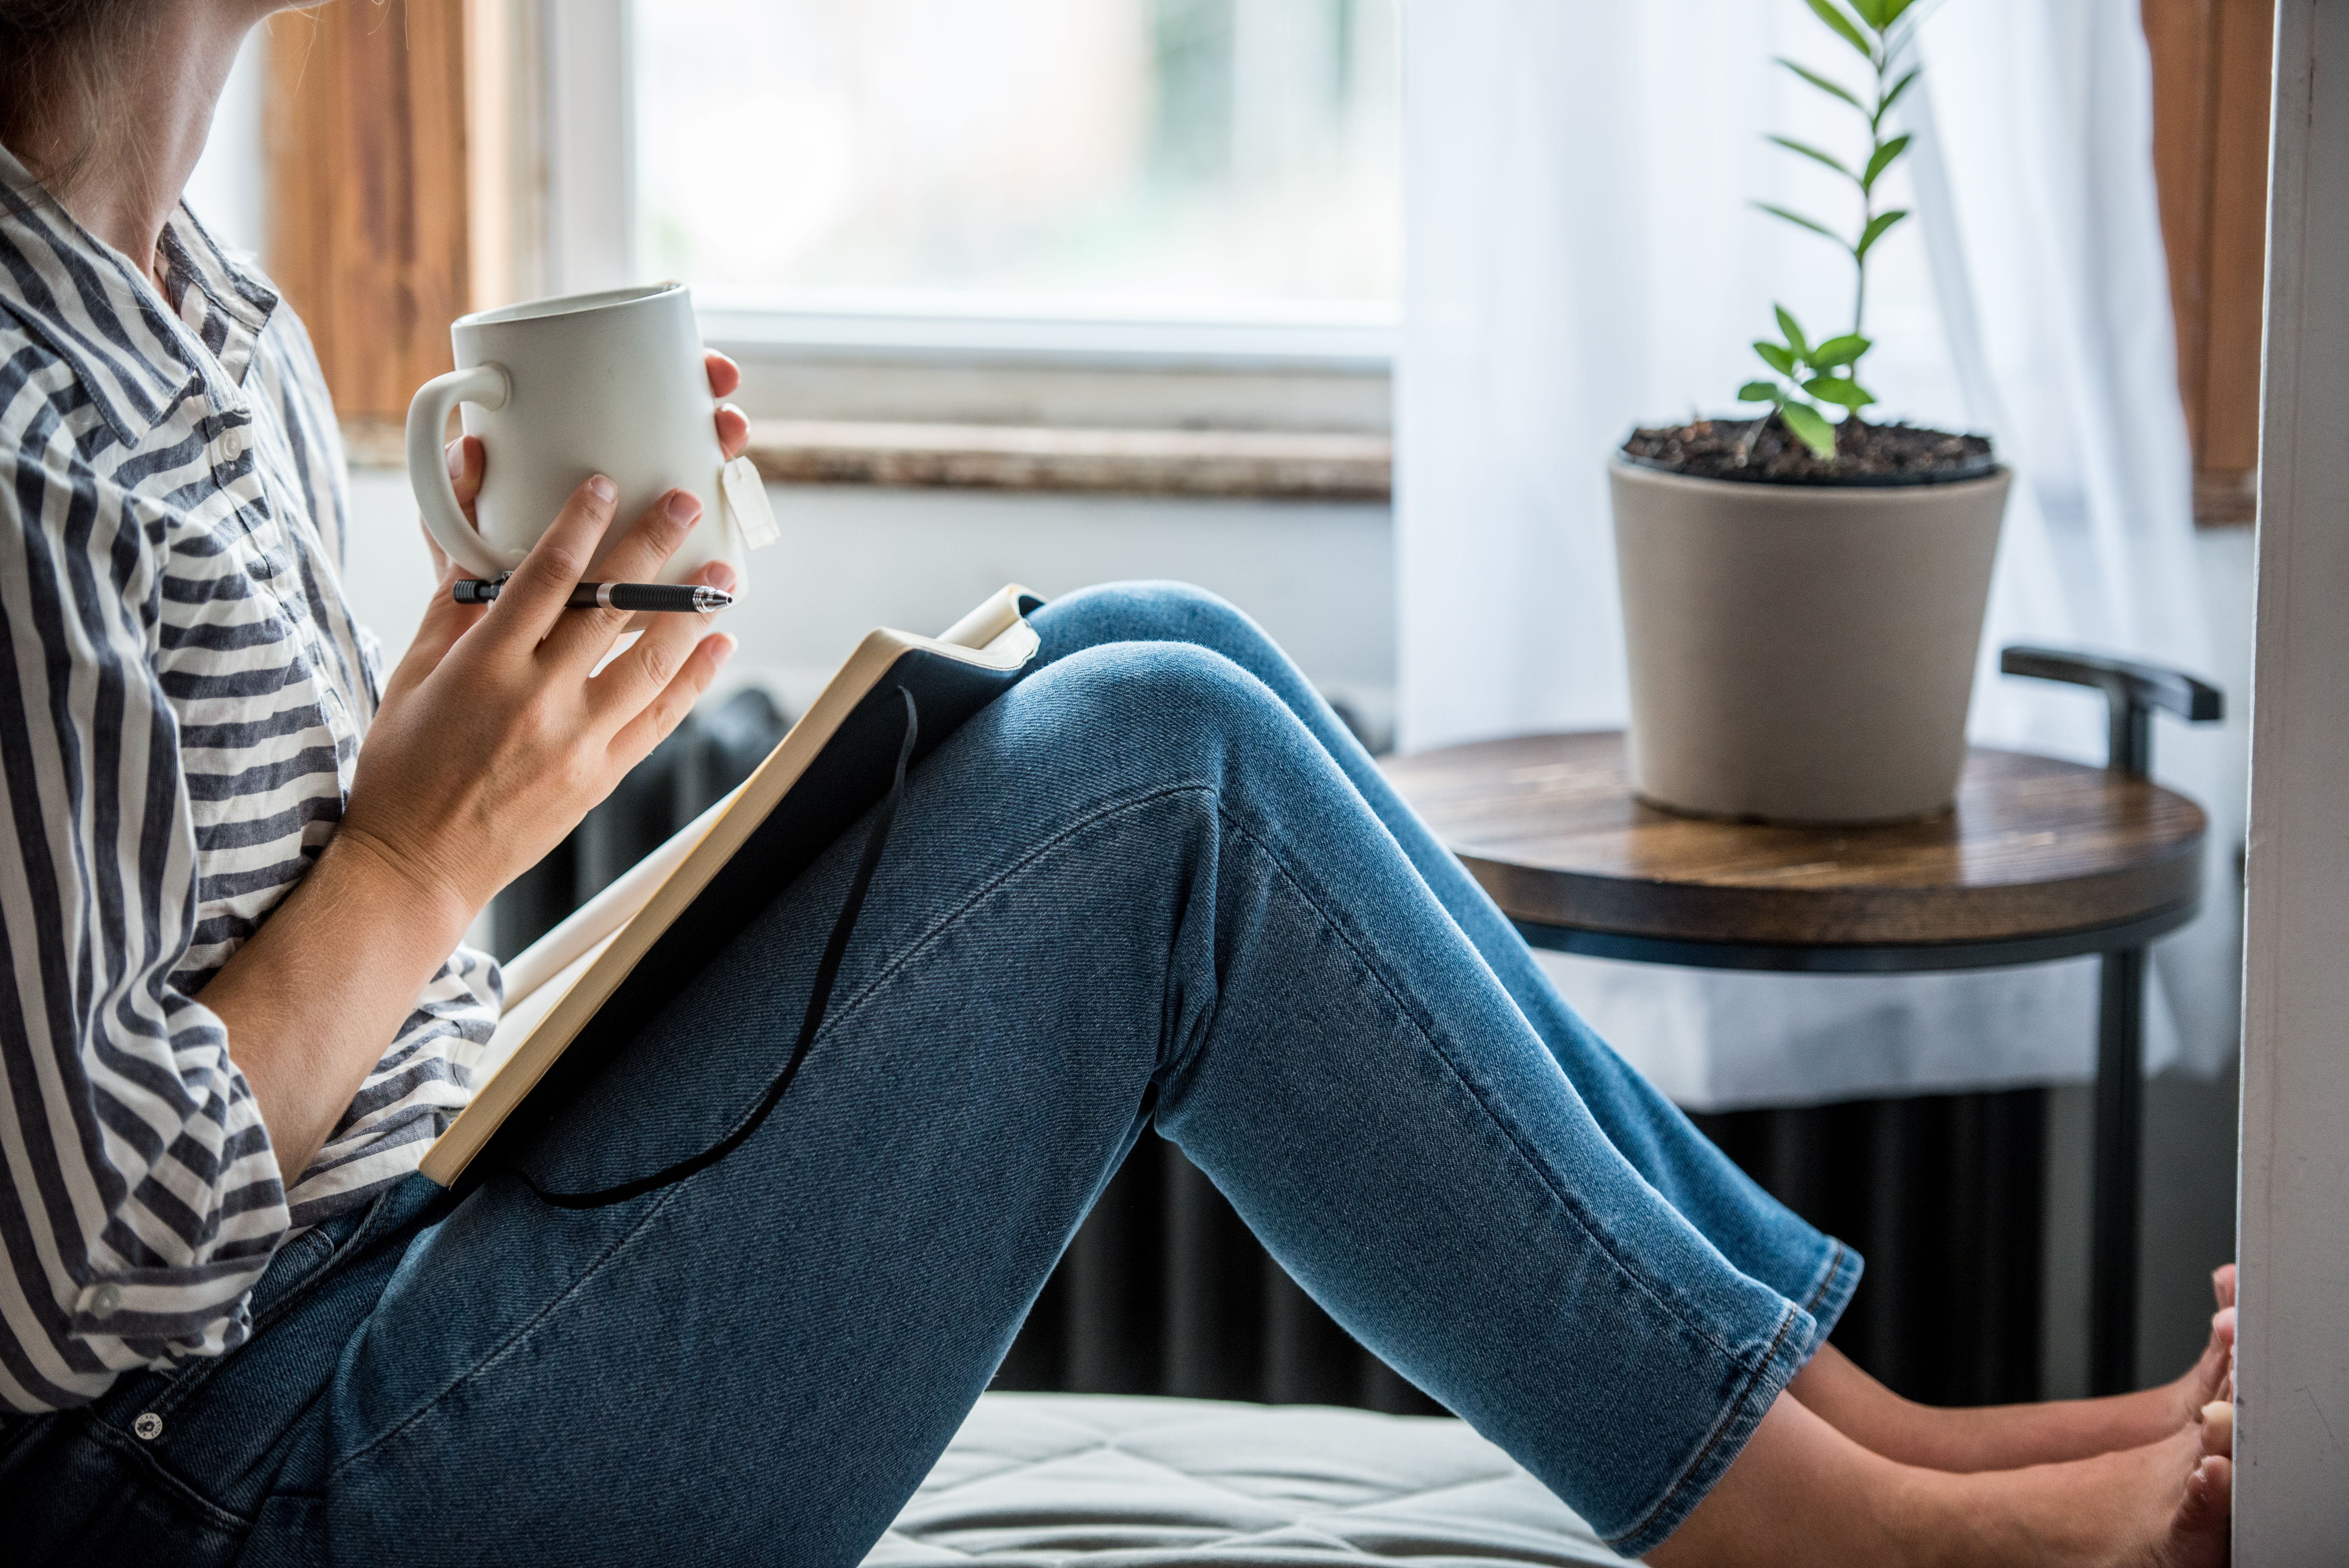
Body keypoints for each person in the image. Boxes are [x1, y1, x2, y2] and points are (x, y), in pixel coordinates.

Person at [0, 2, 2236, 1564]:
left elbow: (309, 1006)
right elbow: (62, 1274)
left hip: (358, 1294)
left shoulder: (206, 328)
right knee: (1151, 787)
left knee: (1144, 650)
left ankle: (1880, 1439)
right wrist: (419, 846)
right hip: (223, 1491)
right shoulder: (25, 454)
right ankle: (1832, 1540)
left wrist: (518, 735)